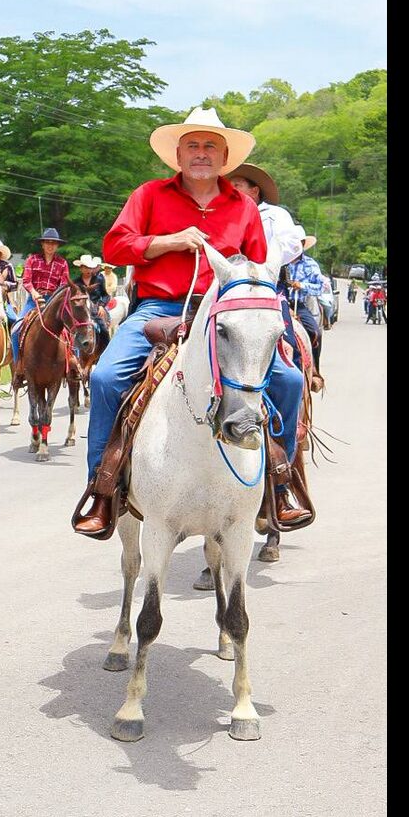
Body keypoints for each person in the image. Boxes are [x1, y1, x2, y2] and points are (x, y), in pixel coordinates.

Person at [73, 106, 267, 536]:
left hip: (223, 314)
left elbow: (257, 273)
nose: (201, 153)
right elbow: (114, 247)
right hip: (158, 310)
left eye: (210, 146)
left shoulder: (244, 208)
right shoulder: (149, 195)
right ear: (178, 155)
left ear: (224, 158)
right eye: (192, 145)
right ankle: (102, 488)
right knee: (105, 377)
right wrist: (168, 242)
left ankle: (278, 485)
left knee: (286, 379)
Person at [227, 162, 311, 525]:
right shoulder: (216, 210)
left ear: (255, 190)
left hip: (264, 297)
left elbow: (292, 244)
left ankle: (281, 477)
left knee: (291, 377)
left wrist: (259, 260)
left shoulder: (275, 216)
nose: (232, 189)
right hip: (220, 297)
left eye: (238, 185)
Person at [11, 227, 72, 362]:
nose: (50, 245)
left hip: (54, 301)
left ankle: (73, 364)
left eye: (53, 243)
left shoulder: (62, 263)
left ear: (57, 245)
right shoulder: (32, 260)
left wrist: (54, 299)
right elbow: (27, 280)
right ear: (42, 244)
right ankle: (18, 364)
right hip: (34, 300)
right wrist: (34, 293)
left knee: (71, 330)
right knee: (16, 329)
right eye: (47, 242)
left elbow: (63, 285)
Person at [287, 228, 325, 372]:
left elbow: (320, 287)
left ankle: (315, 371)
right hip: (278, 305)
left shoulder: (310, 264)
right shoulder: (279, 262)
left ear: (303, 244)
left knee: (315, 333)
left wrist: (302, 285)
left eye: (299, 243)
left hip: (299, 305)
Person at [72, 254, 111, 346]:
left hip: (95, 308)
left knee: (104, 330)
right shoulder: (76, 282)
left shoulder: (99, 280)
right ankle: (73, 350)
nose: (88, 270)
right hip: (81, 310)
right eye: (85, 267)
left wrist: (101, 306)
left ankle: (107, 348)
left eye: (90, 268)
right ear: (81, 268)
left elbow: (105, 295)